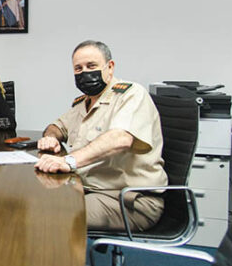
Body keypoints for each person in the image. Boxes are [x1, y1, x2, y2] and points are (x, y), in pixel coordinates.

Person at [35, 40, 168, 231]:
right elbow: (57, 126)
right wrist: (51, 138)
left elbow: (120, 138)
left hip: (127, 200)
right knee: (34, 201)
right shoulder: (84, 103)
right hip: (89, 189)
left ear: (110, 67)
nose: (84, 73)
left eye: (91, 66)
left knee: (52, 215)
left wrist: (69, 161)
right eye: (78, 69)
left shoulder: (131, 94)